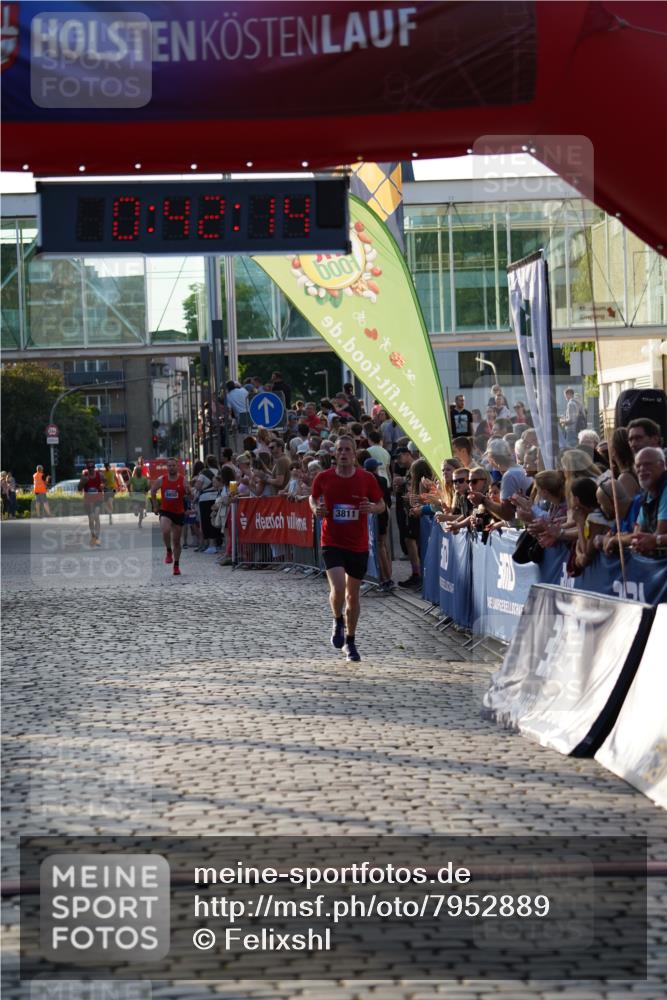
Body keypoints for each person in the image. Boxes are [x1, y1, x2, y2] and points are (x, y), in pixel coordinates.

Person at [310, 435, 385, 662]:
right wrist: (316, 509)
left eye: (347, 450)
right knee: (339, 587)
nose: (343, 453)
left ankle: (350, 642)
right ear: (335, 454)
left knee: (353, 595)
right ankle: (337, 619)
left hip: (357, 544)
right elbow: (312, 499)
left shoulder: (367, 478)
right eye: (339, 450)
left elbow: (381, 505)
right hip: (331, 541)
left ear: (354, 454)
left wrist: (372, 507)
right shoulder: (323, 478)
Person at [151, 457, 192, 575]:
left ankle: (176, 565)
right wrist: (155, 505)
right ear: (167, 467)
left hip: (179, 513)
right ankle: (169, 551)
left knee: (177, 541)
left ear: (177, 467)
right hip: (165, 511)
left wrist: (189, 492)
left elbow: (191, 497)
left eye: (173, 465)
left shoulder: (183, 480)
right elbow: (153, 491)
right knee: (165, 530)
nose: (171, 468)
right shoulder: (162, 479)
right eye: (169, 466)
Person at [363, 458, 394, 592]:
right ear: (375, 468)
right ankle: (384, 578)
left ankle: (385, 578)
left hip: (374, 514)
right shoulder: (382, 480)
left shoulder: (365, 480)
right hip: (380, 515)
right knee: (380, 546)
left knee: (378, 546)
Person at [78, 459, 104, 546]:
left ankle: (97, 537)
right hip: (88, 501)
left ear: (94, 467)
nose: (91, 469)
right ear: (87, 468)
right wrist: (82, 483)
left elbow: (105, 482)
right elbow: (79, 488)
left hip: (98, 499)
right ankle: (93, 535)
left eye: (92, 467)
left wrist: (103, 485)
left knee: (96, 516)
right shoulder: (84, 476)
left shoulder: (99, 475)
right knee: (91, 519)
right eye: (89, 467)